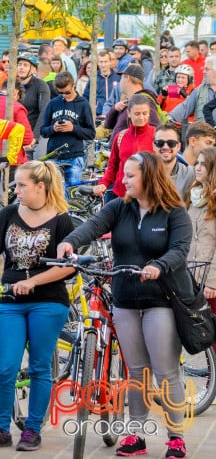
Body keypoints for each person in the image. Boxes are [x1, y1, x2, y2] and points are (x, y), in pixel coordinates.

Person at [57, 152, 192, 459]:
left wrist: (159, 265)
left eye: (131, 175)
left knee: (165, 371)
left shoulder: (174, 213)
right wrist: (70, 242)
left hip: (161, 301)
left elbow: (180, 250)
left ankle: (176, 437)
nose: (124, 180)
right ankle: (136, 435)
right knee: (136, 372)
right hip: (125, 301)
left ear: (150, 177)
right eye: (124, 175)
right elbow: (92, 226)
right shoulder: (119, 207)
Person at [0, 162, 75, 451]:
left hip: (48, 301)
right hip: (12, 301)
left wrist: (34, 282)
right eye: (15, 185)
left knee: (41, 366)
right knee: (5, 367)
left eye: (21, 185)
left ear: (40, 187)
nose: (15, 190)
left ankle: (32, 429)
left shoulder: (61, 221)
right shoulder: (7, 215)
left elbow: (68, 267)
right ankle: (1, 428)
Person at [94, 94, 156, 202]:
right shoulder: (120, 137)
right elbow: (112, 166)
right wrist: (103, 183)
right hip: (122, 196)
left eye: (145, 113)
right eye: (137, 114)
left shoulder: (157, 136)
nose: (141, 117)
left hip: (147, 197)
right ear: (129, 114)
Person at [39, 71, 96, 186]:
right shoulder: (53, 103)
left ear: (73, 85)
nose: (65, 95)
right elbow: (43, 131)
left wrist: (73, 128)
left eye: (67, 92)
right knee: (52, 192)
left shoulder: (83, 104)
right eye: (61, 93)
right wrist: (53, 128)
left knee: (72, 193)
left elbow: (91, 133)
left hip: (74, 156)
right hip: (53, 155)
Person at [185, 147, 216, 315]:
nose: (197, 167)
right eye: (197, 163)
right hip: (191, 279)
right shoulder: (192, 196)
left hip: (211, 281)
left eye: (203, 165)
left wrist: (212, 282)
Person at [15, 54, 51, 153]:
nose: (21, 67)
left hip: (31, 133)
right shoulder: (13, 84)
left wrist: (34, 137)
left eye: (25, 65)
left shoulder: (41, 86)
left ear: (34, 70)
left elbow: (44, 111)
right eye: (19, 64)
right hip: (14, 134)